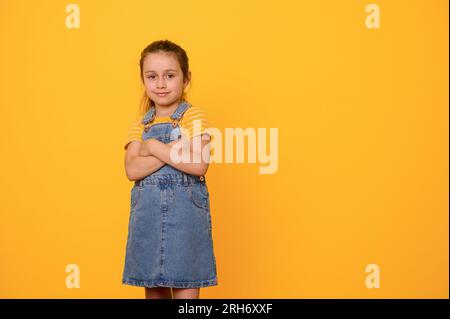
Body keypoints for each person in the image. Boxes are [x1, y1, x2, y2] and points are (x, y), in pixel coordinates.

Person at [122, 40, 218, 299]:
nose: (161, 84)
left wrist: (151, 147)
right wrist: (174, 149)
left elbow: (199, 164)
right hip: (148, 219)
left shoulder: (194, 117)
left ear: (186, 79)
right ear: (143, 79)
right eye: (152, 76)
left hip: (185, 220)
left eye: (170, 76)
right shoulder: (139, 125)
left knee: (186, 289)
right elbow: (132, 169)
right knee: (154, 288)